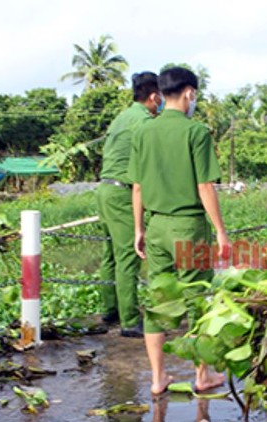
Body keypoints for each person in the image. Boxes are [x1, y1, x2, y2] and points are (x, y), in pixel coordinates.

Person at [128, 66, 229, 395]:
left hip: (155, 226)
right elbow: (204, 186)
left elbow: (138, 187)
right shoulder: (195, 132)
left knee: (159, 300)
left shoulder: (143, 132)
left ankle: (158, 378)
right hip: (188, 227)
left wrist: (139, 229)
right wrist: (221, 232)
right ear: (189, 92)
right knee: (197, 300)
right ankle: (202, 375)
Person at [97, 72, 164, 338]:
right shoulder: (144, 122)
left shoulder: (122, 117)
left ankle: (110, 309)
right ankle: (129, 320)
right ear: (154, 96)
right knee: (127, 256)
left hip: (105, 190)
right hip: (123, 193)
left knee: (110, 254)